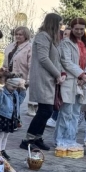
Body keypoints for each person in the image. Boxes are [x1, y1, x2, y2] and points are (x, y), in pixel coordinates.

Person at [21, 13, 65, 151]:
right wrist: (57, 74)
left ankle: (37, 137)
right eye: (59, 24)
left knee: (46, 110)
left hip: (49, 78)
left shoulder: (52, 39)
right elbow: (44, 58)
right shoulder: (42, 36)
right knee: (45, 110)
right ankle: (28, 139)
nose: (61, 27)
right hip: (42, 78)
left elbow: (56, 59)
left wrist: (61, 73)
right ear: (53, 23)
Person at [55, 18, 86, 145]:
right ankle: (60, 139)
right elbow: (66, 62)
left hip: (82, 82)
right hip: (70, 80)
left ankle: (71, 139)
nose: (79, 31)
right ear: (72, 29)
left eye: (82, 29)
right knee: (66, 112)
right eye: (77, 29)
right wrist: (81, 74)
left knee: (76, 113)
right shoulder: (66, 43)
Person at [0, 26, 33, 115]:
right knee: (8, 100)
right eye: (16, 34)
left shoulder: (29, 47)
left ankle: (15, 121)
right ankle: (11, 120)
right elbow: (6, 60)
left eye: (20, 35)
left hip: (21, 78)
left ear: (26, 36)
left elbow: (31, 65)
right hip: (9, 77)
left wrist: (29, 80)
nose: (18, 36)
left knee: (16, 100)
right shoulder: (11, 46)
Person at [0, 77, 27, 158]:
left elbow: (19, 101)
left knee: (6, 135)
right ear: (7, 84)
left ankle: (3, 150)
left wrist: (23, 91)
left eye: (15, 87)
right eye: (13, 87)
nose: (14, 89)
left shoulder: (14, 92)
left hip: (11, 116)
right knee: (0, 135)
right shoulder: (2, 92)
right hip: (2, 116)